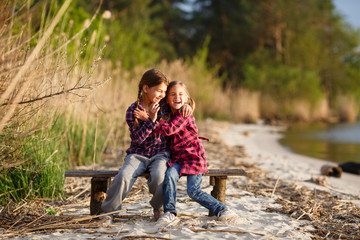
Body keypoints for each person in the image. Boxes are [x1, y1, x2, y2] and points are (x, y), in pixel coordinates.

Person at [100, 69, 191, 221]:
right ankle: (108, 212)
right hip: (137, 154)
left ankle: (158, 208)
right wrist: (151, 120)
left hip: (160, 154)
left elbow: (179, 99)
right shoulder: (133, 111)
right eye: (158, 91)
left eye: (164, 91)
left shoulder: (165, 106)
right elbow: (138, 140)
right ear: (146, 88)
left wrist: (188, 105)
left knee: (159, 176)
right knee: (123, 175)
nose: (162, 94)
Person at [156, 81, 239, 224]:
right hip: (178, 159)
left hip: (193, 157)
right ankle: (170, 212)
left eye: (181, 94)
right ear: (168, 99)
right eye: (173, 95)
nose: (177, 97)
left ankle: (222, 209)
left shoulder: (184, 114)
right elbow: (162, 104)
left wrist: (153, 122)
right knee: (169, 176)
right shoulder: (168, 113)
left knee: (193, 190)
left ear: (187, 98)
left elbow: (169, 129)